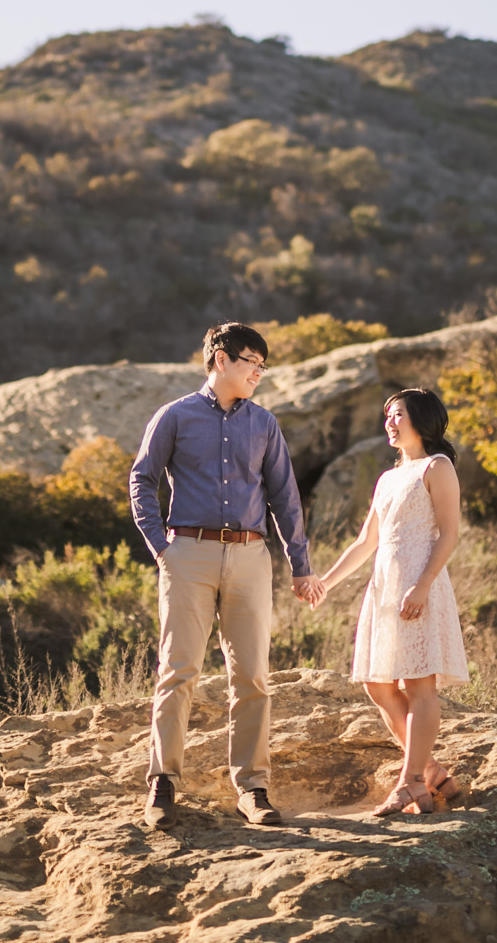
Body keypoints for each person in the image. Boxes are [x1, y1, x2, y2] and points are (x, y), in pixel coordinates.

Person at [128, 321, 326, 829]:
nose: (259, 372)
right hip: (187, 553)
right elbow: (142, 480)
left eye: (264, 365)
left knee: (253, 675)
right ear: (220, 359)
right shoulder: (174, 416)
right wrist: (161, 549)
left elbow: (285, 497)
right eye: (251, 362)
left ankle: (253, 789)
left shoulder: (265, 424)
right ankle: (163, 783)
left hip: (250, 558)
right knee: (178, 671)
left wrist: (299, 567)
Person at [315, 387, 469, 815]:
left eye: (397, 414)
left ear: (420, 418)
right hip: (384, 585)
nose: (389, 422)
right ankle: (431, 771)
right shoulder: (388, 478)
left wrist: (421, 585)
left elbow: (449, 533)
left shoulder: (437, 467)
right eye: (387, 416)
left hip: (420, 581)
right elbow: (367, 541)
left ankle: (412, 782)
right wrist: (326, 582)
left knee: (419, 683)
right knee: (377, 684)